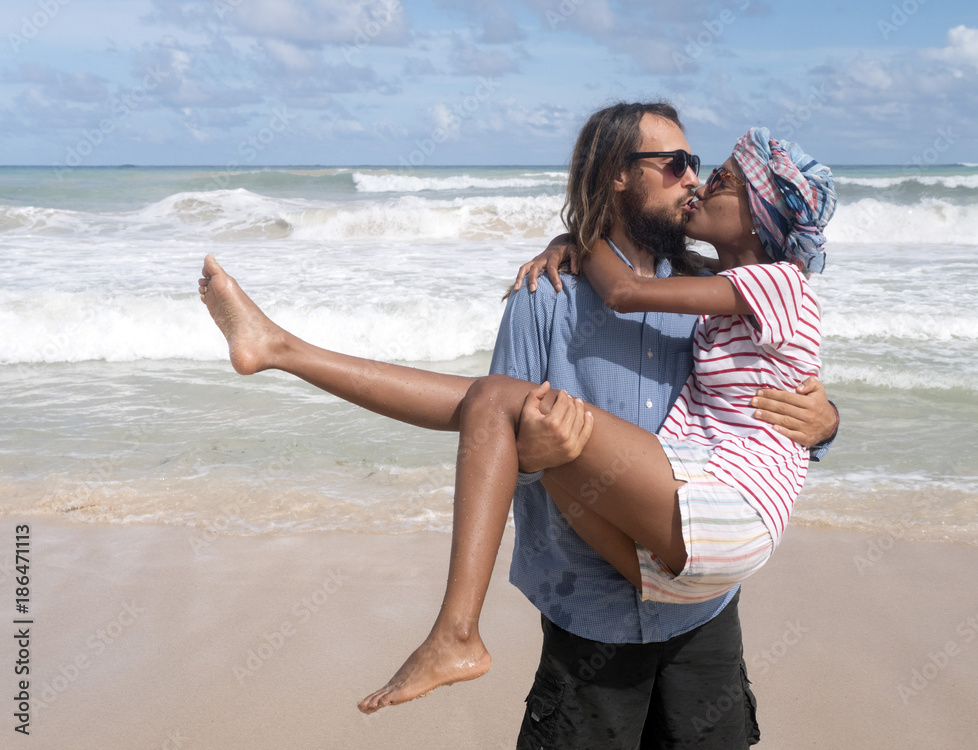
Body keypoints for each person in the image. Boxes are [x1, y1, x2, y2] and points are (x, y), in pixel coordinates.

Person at [199, 103, 839, 748]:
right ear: (617, 175)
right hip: (592, 608)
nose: (693, 180)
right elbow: (495, 437)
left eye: (697, 166)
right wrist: (536, 457)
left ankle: (283, 351)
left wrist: (826, 422)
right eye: (675, 165)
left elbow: (761, 414)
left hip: (702, 614)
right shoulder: (546, 295)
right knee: (495, 401)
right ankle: (282, 349)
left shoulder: (715, 293)